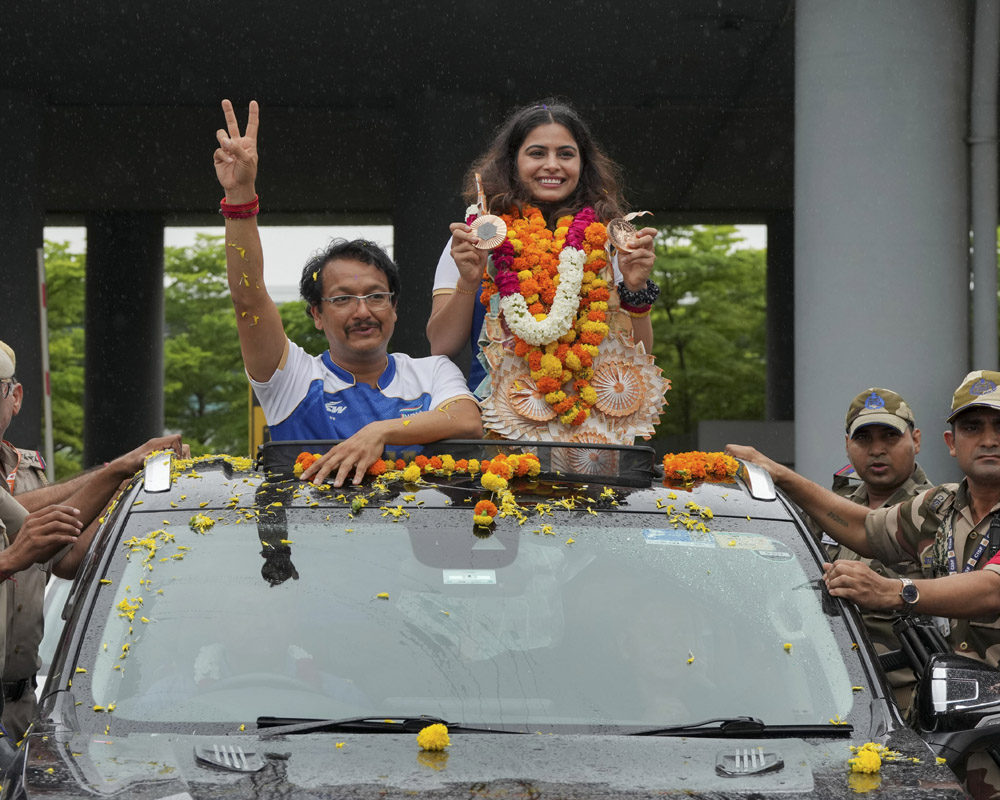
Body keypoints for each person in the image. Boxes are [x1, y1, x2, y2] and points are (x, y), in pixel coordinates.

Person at [213, 100, 482, 488]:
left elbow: (468, 420)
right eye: (342, 299)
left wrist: (380, 432)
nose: (362, 311)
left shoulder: (431, 371)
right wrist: (240, 196)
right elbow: (249, 300)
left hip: (413, 546)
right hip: (313, 546)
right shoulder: (293, 379)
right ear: (317, 314)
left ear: (394, 308)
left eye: (376, 296)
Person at [0, 339, 190, 739]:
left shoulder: (25, 470)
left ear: (15, 397)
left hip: (19, 703)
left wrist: (124, 483)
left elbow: (56, 549)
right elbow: (26, 536)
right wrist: (115, 470)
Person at [726, 372, 1000, 648]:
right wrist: (781, 476)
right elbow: (864, 529)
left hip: (905, 678)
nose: (989, 440)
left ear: (916, 440)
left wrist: (892, 591)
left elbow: (992, 589)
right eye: (972, 428)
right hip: (938, 685)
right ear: (951, 443)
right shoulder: (938, 506)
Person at [426, 100, 657, 395]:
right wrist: (469, 281)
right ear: (512, 162)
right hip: (499, 420)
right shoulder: (478, 236)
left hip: (590, 425)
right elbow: (441, 344)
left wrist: (635, 290)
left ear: (582, 164)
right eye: (537, 153)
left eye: (566, 154)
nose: (552, 165)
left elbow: (641, 354)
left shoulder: (607, 239)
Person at [805, 388, 932, 708]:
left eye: (890, 437)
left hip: (904, 693)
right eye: (864, 439)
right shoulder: (829, 511)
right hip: (824, 689)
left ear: (916, 440)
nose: (877, 450)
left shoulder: (935, 512)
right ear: (847, 445)